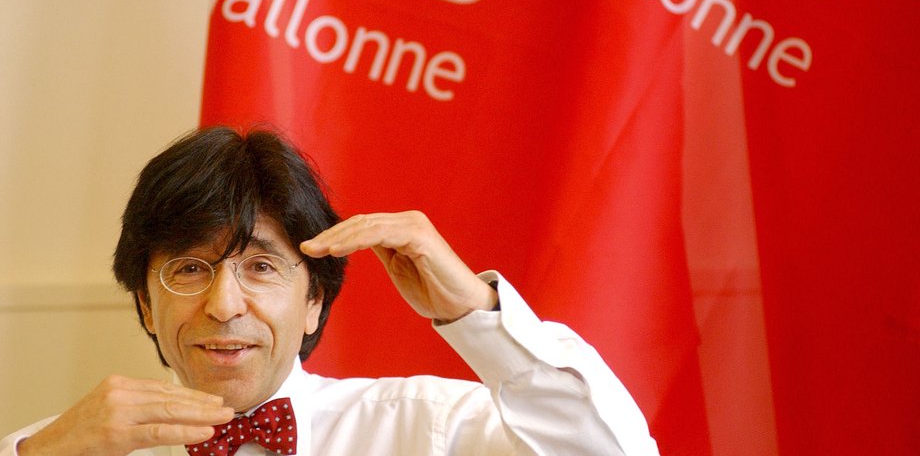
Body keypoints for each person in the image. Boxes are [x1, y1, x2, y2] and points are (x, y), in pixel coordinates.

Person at [0, 127, 660, 456]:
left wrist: (474, 312)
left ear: (314, 299)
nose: (224, 305)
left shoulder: (427, 427)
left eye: (261, 267)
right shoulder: (69, 446)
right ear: (146, 303)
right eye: (190, 269)